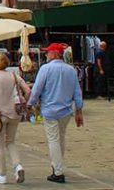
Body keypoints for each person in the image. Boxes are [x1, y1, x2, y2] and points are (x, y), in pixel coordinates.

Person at [27, 42, 83, 184]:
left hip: (50, 110)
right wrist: (79, 110)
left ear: (54, 54)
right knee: (61, 139)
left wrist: (29, 104)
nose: (46, 55)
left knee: (53, 140)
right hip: (66, 111)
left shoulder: (46, 69)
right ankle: (57, 165)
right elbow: (77, 91)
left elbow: (37, 89)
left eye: (48, 52)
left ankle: (58, 171)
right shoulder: (71, 70)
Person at [0, 53, 30, 185]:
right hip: (14, 114)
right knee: (10, 141)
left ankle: (2, 174)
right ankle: (18, 166)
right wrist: (24, 103)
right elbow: (28, 90)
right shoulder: (13, 75)